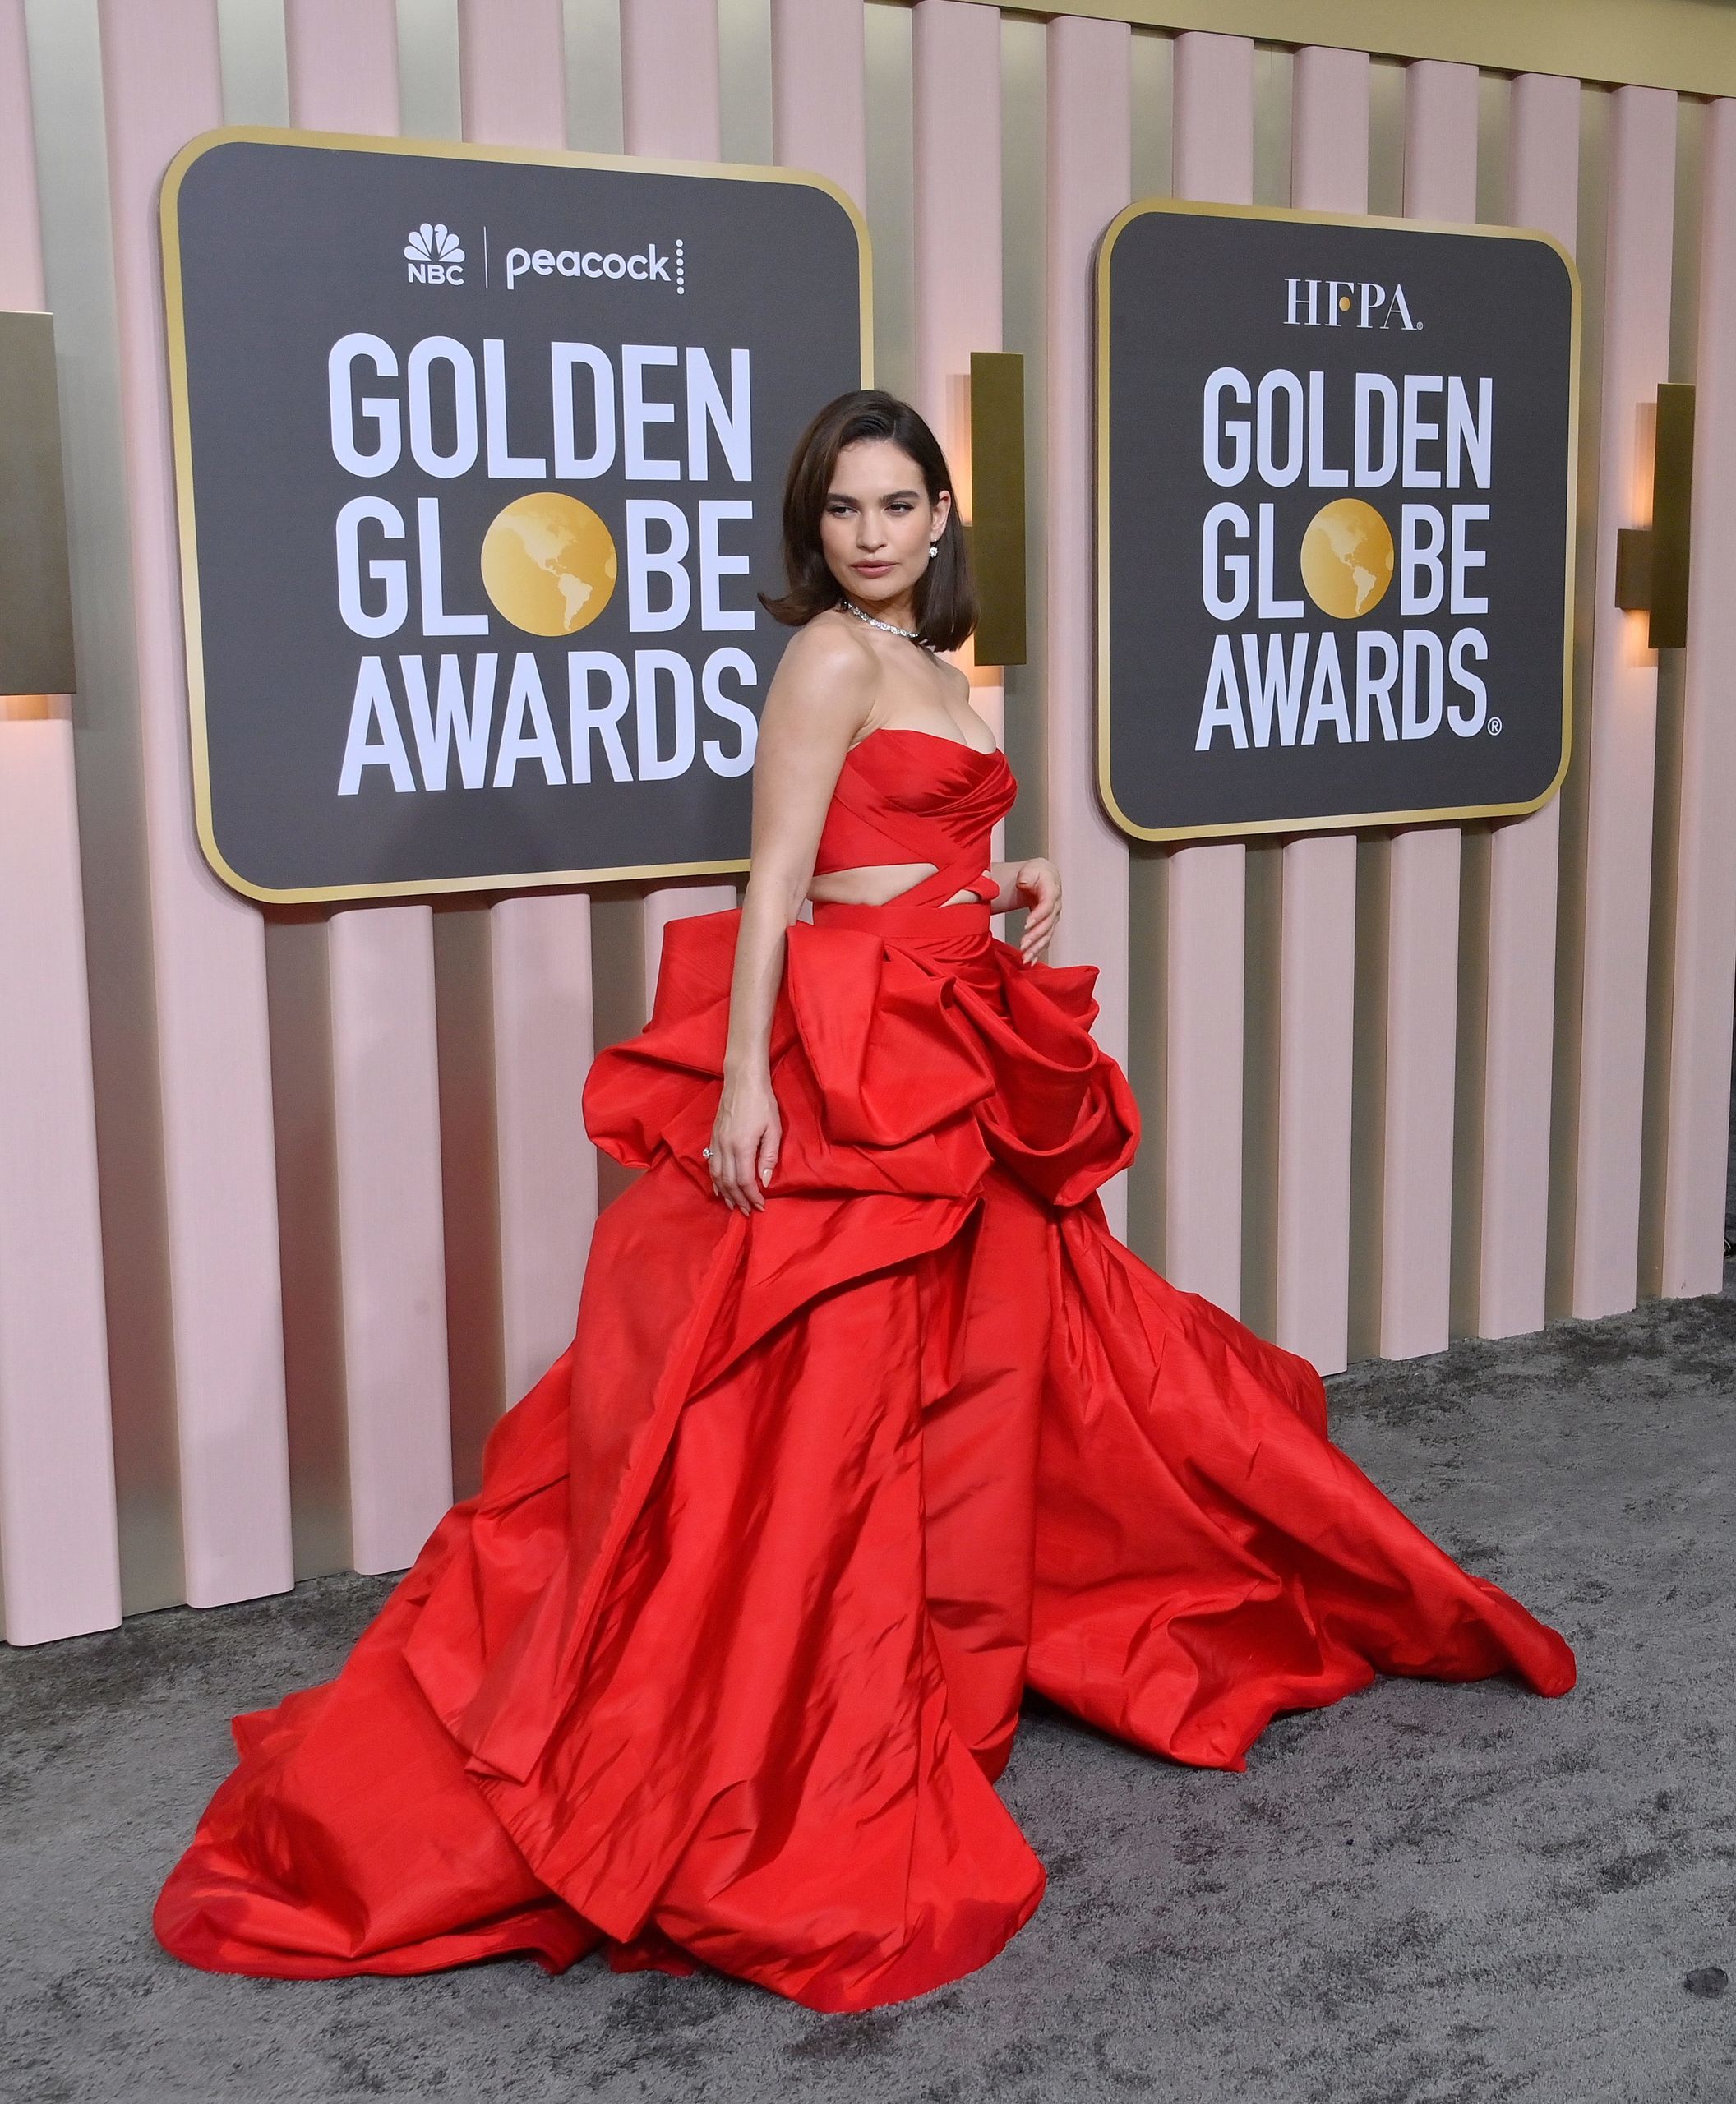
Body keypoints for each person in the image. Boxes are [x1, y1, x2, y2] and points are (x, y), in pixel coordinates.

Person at [155, 389, 1574, 2014]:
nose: (872, 533)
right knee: (811, 1403)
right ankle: (797, 1695)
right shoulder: (826, 657)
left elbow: (924, 833)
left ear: (942, 514)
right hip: (858, 1054)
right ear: (812, 525)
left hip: (962, 1032)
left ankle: (948, 1650)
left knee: (985, 1376)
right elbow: (776, 876)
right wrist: (746, 1082)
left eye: (898, 504)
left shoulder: (941, 667)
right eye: (844, 508)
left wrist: (1012, 876)